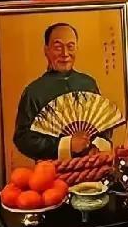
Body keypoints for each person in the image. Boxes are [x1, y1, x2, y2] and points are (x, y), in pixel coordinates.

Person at [13, 22, 113, 161]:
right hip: (51, 169)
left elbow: (103, 123)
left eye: (70, 46)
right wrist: (66, 144)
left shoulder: (88, 84)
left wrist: (96, 145)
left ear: (76, 48)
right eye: (58, 47)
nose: (65, 54)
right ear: (46, 50)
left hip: (92, 165)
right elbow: (23, 138)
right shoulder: (34, 91)